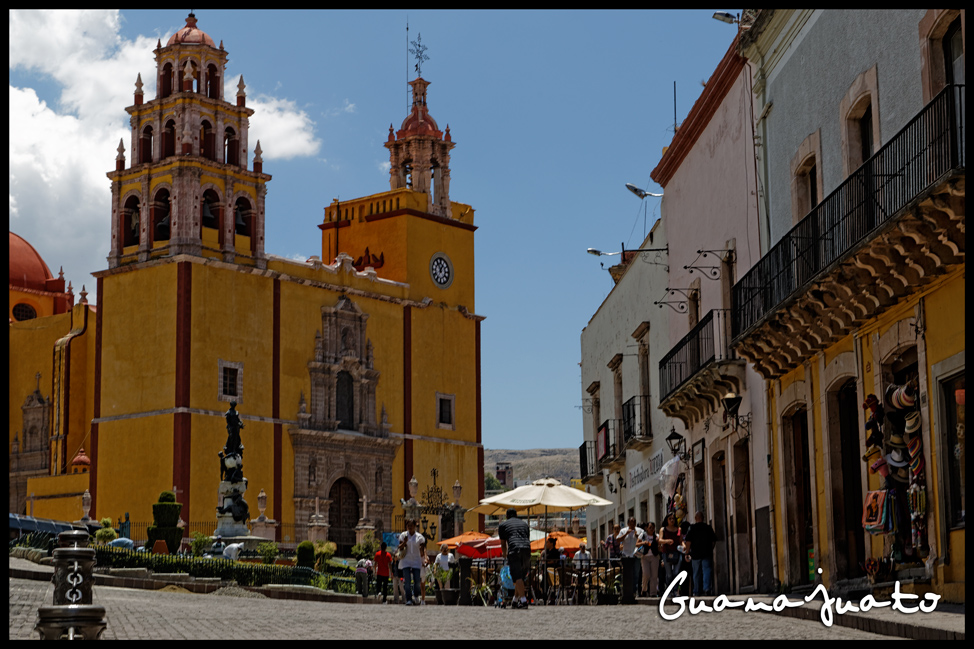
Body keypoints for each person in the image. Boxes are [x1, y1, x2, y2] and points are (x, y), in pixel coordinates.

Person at [498, 508, 532, 610]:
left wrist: (504, 555)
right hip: (527, 550)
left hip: (514, 550)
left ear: (507, 516)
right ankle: (515, 601)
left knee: (517, 577)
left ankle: (523, 601)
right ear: (516, 515)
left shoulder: (503, 525)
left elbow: (503, 544)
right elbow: (527, 538)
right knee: (520, 577)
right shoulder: (524, 524)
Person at [684, 511, 718, 596]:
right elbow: (713, 541)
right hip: (706, 553)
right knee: (707, 571)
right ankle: (707, 589)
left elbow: (688, 542)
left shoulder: (692, 528)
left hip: (695, 554)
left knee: (696, 573)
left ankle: (697, 591)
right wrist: (710, 549)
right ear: (703, 518)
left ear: (695, 518)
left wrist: (687, 552)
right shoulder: (708, 527)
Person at [397, 518, 427, 605]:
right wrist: (404, 542)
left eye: (411, 526)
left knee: (417, 580)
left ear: (415, 526)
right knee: (407, 581)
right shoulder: (403, 535)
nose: (410, 527)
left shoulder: (420, 537)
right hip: (406, 560)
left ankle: (416, 594)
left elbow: (423, 549)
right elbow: (400, 547)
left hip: (416, 561)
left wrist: (424, 559)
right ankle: (409, 599)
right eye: (408, 526)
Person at [616, 516, 645, 598]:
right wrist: (626, 534)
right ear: (628, 523)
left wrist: (636, 536)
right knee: (627, 574)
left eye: (634, 523)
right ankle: (627, 592)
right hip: (627, 556)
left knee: (636, 574)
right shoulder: (623, 531)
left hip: (636, 555)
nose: (632, 524)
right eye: (630, 523)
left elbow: (643, 541)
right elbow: (618, 540)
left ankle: (635, 591)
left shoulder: (640, 531)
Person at [659, 513, 682, 591]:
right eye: (670, 519)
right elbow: (660, 540)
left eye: (673, 519)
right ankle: (669, 590)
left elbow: (680, 540)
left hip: (677, 553)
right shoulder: (663, 529)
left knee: (676, 573)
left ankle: (675, 590)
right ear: (667, 520)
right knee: (669, 575)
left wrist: (684, 545)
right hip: (666, 553)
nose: (672, 520)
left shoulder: (678, 529)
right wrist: (667, 541)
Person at [638, 521, 660, 597]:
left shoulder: (656, 536)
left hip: (654, 556)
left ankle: (653, 593)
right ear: (647, 528)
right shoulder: (643, 535)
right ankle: (644, 589)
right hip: (645, 557)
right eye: (650, 527)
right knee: (646, 574)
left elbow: (660, 545)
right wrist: (643, 543)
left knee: (654, 575)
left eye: (653, 528)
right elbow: (637, 544)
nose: (651, 529)